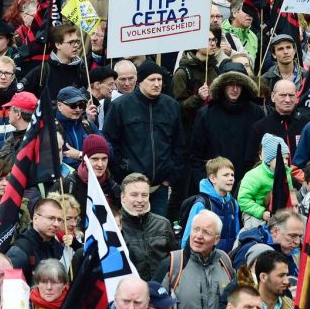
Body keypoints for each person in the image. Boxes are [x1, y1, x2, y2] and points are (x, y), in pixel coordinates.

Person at [104, 61, 184, 216]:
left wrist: (170, 177)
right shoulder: (120, 106)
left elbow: (178, 144)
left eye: (159, 80)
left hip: (160, 186)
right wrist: (122, 173)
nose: (157, 84)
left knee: (157, 233)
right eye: (152, 80)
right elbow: (110, 143)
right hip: (130, 185)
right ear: (140, 81)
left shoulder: (171, 106)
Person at [154, 210, 235, 309]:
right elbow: (153, 307)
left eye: (206, 232)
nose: (198, 236)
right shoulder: (173, 263)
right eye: (196, 229)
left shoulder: (225, 261)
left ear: (217, 239)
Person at [188, 66, 264, 190]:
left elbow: (261, 150)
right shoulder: (206, 113)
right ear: (222, 85)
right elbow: (196, 154)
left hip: (248, 184)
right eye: (230, 84)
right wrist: (205, 183)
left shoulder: (256, 112)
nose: (235, 89)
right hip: (214, 184)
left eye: (239, 85)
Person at [119, 172, 178, 280]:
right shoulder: (115, 227)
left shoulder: (163, 224)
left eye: (144, 195)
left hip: (161, 291)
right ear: (123, 197)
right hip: (129, 293)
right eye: (134, 195)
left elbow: (176, 260)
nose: (140, 200)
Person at [182, 157, 241, 253]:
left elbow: (237, 233)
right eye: (226, 175)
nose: (231, 178)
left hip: (227, 259)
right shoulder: (202, 203)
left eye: (232, 175)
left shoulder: (233, 203)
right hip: (205, 260)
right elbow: (188, 236)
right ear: (213, 178)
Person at [5, 198, 69, 282]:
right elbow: (11, 289)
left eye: (59, 220)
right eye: (51, 218)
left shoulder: (59, 248)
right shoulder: (20, 252)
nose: (56, 224)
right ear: (35, 219)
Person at [237, 134, 294, 227]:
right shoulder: (254, 176)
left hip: (279, 211)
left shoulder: (286, 174)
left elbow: (290, 194)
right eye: (281, 158)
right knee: (255, 228)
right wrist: (261, 212)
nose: (285, 162)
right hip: (255, 212)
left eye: (287, 158)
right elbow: (243, 199)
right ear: (268, 160)